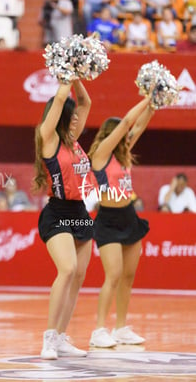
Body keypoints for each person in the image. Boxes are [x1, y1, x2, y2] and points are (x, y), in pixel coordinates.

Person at [33, 79, 94, 359]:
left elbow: (86, 103)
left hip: (80, 213)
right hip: (57, 212)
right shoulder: (49, 139)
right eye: (71, 118)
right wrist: (65, 78)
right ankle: (48, 338)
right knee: (67, 269)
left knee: (78, 277)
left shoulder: (73, 140)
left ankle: (60, 336)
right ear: (60, 118)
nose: (76, 120)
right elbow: (59, 103)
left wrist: (78, 76)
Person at [88, 92, 154, 348]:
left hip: (129, 216)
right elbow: (128, 122)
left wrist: (154, 103)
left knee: (128, 276)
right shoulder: (101, 154)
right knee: (113, 275)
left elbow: (140, 124)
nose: (125, 137)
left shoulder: (123, 152)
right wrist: (146, 98)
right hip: (108, 218)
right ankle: (99, 330)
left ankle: (121, 328)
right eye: (120, 134)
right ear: (110, 134)